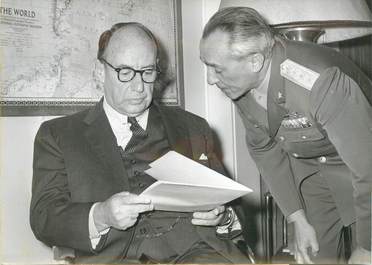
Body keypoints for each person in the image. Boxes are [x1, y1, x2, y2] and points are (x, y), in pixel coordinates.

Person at [30, 22, 249, 264]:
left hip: (199, 253)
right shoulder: (59, 135)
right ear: (98, 71)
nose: (138, 86)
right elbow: (44, 218)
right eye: (124, 72)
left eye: (147, 72)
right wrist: (101, 215)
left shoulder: (193, 127)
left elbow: (232, 205)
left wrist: (223, 217)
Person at [199, 7, 372, 264]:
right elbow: (264, 151)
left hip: (362, 170)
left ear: (255, 62)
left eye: (217, 68)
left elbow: (367, 168)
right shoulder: (241, 85)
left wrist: (367, 248)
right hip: (314, 172)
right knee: (312, 256)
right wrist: (297, 218)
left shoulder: (319, 81)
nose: (210, 79)